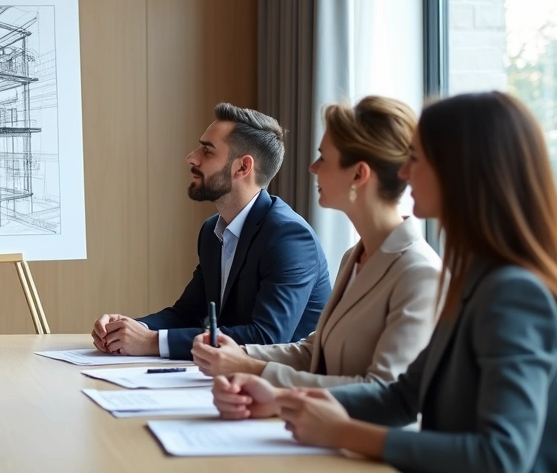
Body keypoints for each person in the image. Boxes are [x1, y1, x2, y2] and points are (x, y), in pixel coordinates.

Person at [214, 92, 557, 473]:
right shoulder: (471, 278)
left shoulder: (513, 292)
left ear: (461, 172)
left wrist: (342, 432)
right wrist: (281, 400)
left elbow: (502, 457)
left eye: (417, 159)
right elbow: (402, 395)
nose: (405, 174)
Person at [192, 96, 440, 387]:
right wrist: (239, 355)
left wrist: (256, 372)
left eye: (323, 157)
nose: (312, 167)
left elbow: (384, 390)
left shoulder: (420, 272)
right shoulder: (354, 257)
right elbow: (315, 352)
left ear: (358, 174)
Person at [92, 103, 331, 358]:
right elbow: (188, 312)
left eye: (207, 151)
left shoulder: (288, 236)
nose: (192, 157)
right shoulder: (211, 231)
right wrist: (130, 329)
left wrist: (152, 342)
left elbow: (267, 338)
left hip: (283, 388)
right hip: (228, 380)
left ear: (242, 167)